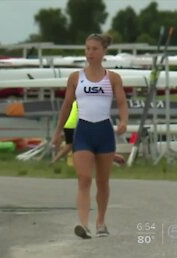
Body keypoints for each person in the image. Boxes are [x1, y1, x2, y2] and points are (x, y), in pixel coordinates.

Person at [52, 33, 128, 239]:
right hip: (83, 132)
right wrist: (58, 132)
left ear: (104, 51)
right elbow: (67, 105)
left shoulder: (112, 78)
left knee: (102, 182)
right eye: (87, 49)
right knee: (84, 179)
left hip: (104, 132)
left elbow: (122, 102)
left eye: (95, 49)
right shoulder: (76, 78)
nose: (90, 53)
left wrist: (123, 121)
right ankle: (83, 224)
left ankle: (101, 222)